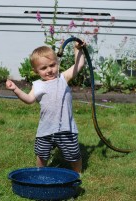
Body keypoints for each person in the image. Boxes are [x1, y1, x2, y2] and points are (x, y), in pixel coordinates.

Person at [6, 42, 86, 173]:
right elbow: (29, 99)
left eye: (52, 65)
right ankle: (40, 173)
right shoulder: (37, 85)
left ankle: (78, 173)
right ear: (35, 71)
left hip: (66, 128)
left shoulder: (63, 78)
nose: (49, 70)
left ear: (57, 64)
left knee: (73, 155)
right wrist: (15, 89)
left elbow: (79, 65)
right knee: (41, 154)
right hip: (45, 129)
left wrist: (77, 49)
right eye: (43, 68)